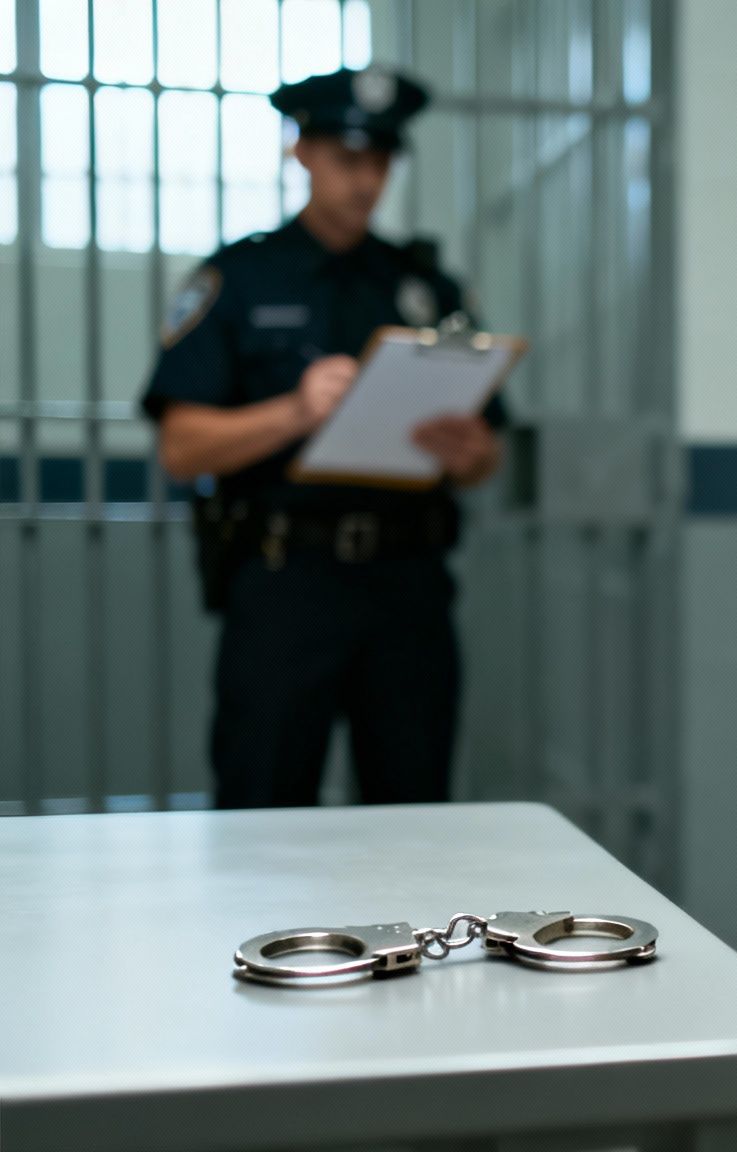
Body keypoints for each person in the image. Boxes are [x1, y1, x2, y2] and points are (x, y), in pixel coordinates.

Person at [140, 67, 508, 809]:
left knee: (414, 812)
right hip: (287, 582)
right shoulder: (237, 279)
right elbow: (181, 447)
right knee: (264, 812)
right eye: (347, 160)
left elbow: (487, 453)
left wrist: (471, 454)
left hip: (408, 585)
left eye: (379, 161)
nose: (365, 180)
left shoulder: (425, 287)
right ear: (301, 152)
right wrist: (297, 414)